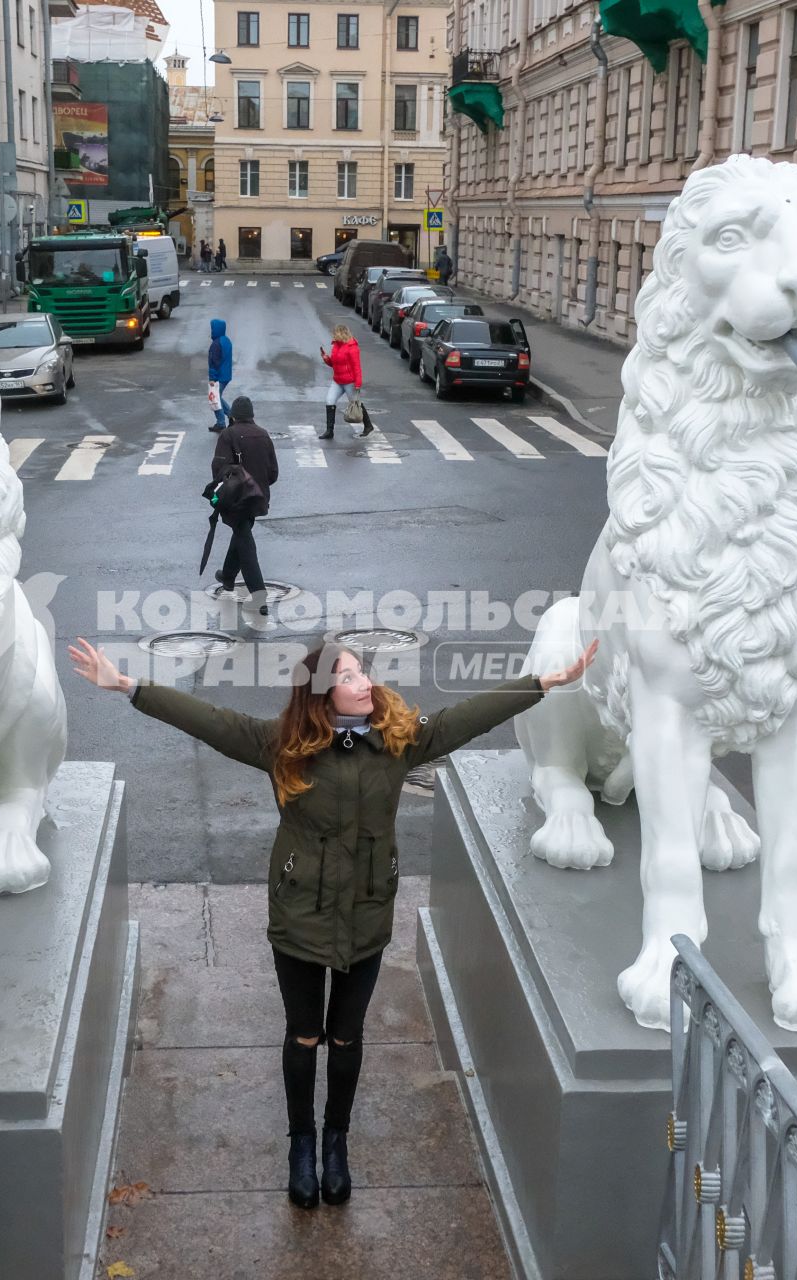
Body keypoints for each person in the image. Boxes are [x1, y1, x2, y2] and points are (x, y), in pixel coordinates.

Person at [65, 635, 599, 1211]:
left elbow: (468, 717)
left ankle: (335, 1140)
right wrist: (128, 686)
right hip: (300, 916)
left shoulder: (397, 741)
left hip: (367, 914)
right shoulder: (282, 745)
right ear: (322, 694)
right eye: (349, 677)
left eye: (363, 672)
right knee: (304, 1035)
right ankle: (301, 1143)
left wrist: (542, 683)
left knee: (346, 1037)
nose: (365, 683)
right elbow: (207, 720)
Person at [211, 396, 279, 614]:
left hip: (236, 498)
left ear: (233, 416)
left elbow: (218, 469)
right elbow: (273, 473)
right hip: (258, 496)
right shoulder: (263, 434)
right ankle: (228, 577)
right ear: (252, 415)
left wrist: (219, 492)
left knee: (245, 540)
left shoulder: (228, 435)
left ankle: (259, 596)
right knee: (241, 534)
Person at [319, 324, 373, 440]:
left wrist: (358, 383)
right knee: (329, 401)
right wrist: (326, 359)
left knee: (355, 403)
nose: (333, 336)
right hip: (337, 380)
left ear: (341, 334)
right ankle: (329, 431)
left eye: (335, 333)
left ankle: (368, 426)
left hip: (349, 382)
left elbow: (356, 367)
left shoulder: (352, 347)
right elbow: (334, 364)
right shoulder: (336, 346)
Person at [208, 318, 234, 431]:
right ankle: (232, 416)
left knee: (214, 398)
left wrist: (212, 378)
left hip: (219, 376)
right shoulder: (226, 340)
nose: (211, 331)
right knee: (218, 397)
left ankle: (221, 423)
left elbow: (214, 362)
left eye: (212, 328)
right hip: (226, 375)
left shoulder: (216, 344)